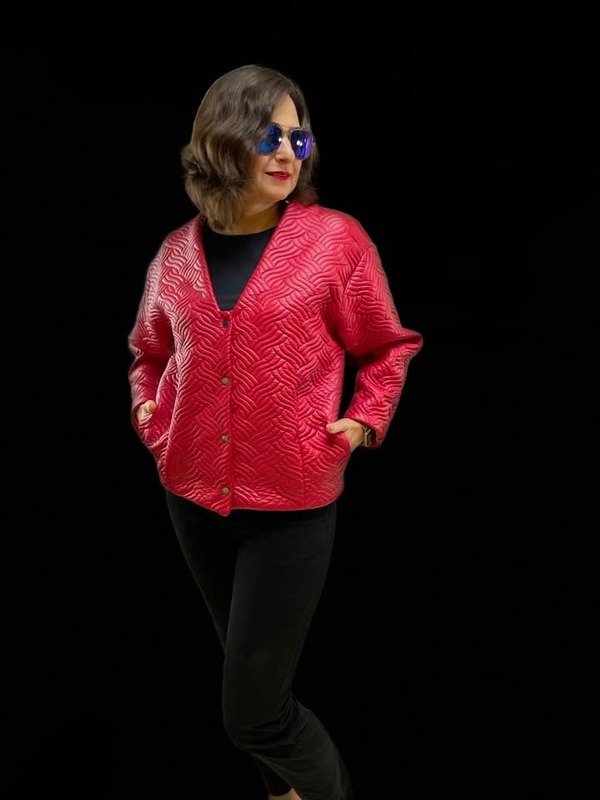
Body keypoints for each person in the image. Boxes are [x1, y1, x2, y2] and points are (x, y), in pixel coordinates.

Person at [127, 63, 423, 800]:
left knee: (254, 712)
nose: (289, 151)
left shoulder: (334, 242)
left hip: (292, 502)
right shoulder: (175, 254)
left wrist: (362, 422)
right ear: (224, 141)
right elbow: (148, 352)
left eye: (299, 137)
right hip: (191, 495)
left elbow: (388, 347)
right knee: (251, 680)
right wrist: (150, 414)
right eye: (269, 136)